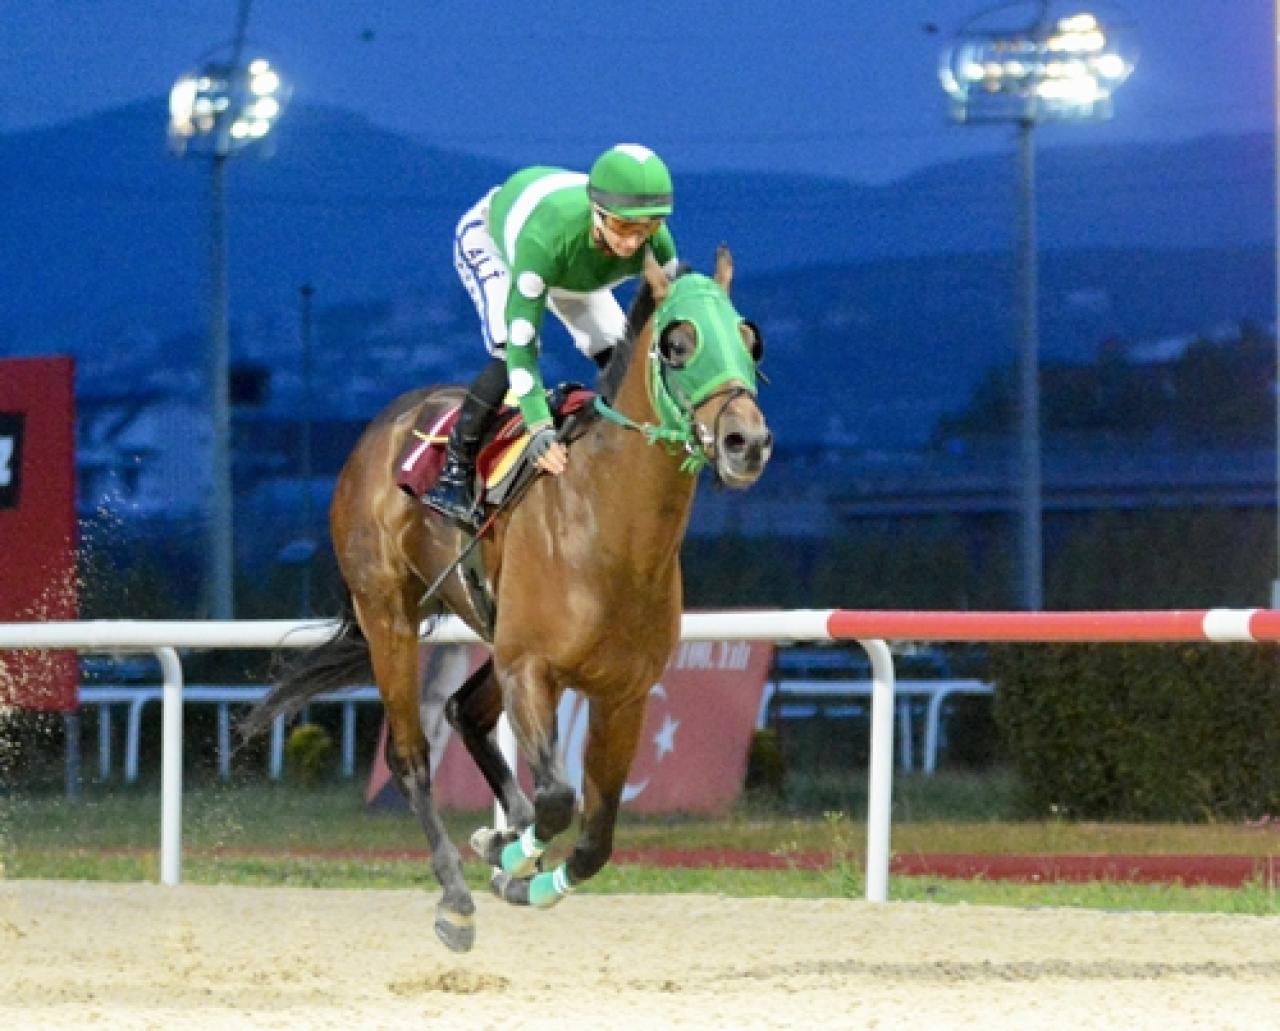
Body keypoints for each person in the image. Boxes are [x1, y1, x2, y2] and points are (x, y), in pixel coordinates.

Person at [424, 143, 679, 530]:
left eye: (647, 228)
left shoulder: (655, 244)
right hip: (502, 248)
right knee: (507, 347)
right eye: (623, 227)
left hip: (576, 265)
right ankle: (454, 470)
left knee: (623, 359)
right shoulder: (543, 243)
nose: (632, 242)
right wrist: (539, 427)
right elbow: (523, 352)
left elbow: (673, 321)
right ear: (597, 213)